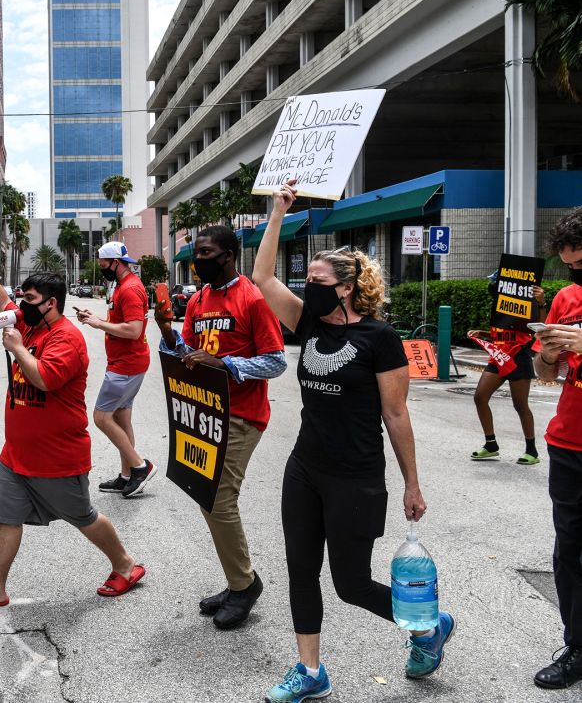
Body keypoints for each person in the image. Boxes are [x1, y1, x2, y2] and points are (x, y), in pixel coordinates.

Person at [252, 180, 453, 702]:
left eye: (318, 279)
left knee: (351, 584)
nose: (308, 285)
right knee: (301, 568)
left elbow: (396, 414)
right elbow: (263, 276)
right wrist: (278, 213)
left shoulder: (381, 339)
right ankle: (311, 671)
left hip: (356, 475)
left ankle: (428, 626)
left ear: (345, 287)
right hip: (305, 468)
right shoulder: (307, 322)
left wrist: (412, 484)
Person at [0, 243, 144, 609]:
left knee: (83, 516)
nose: (20, 306)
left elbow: (44, 379)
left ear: (50, 303)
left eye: (30, 299)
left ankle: (126, 564)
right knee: (5, 518)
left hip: (57, 457)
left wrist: (19, 349)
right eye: (22, 298)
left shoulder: (66, 338)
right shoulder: (29, 321)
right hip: (17, 453)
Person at [155, 224, 287, 630]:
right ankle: (238, 582)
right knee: (207, 496)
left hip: (243, 415)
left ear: (228, 254)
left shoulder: (252, 298)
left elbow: (276, 360)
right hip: (206, 414)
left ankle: (244, 585)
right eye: (196, 252)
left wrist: (227, 365)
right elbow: (189, 356)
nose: (197, 260)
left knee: (219, 500)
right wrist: (165, 330)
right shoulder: (198, 300)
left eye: (206, 252)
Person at [533, 209, 582, 690]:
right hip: (569, 441)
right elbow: (548, 376)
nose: (575, 275)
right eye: (570, 267)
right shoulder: (566, 299)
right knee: (569, 550)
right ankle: (576, 646)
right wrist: (548, 354)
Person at [74, 241, 155, 497]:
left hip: (127, 365)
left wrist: (98, 324)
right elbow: (122, 322)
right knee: (121, 418)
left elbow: (133, 330)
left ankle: (140, 467)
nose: (101, 269)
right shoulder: (122, 286)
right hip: (128, 362)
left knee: (101, 417)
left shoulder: (130, 289)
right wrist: (95, 318)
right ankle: (127, 476)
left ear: (116, 263)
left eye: (103, 265)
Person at [467, 282, 547, 465]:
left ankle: (531, 451)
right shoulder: (498, 305)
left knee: (520, 405)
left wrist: (541, 303)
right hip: (499, 356)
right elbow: (501, 334)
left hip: (518, 357)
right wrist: (484, 334)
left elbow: (540, 328)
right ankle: (491, 444)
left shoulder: (526, 305)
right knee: (480, 397)